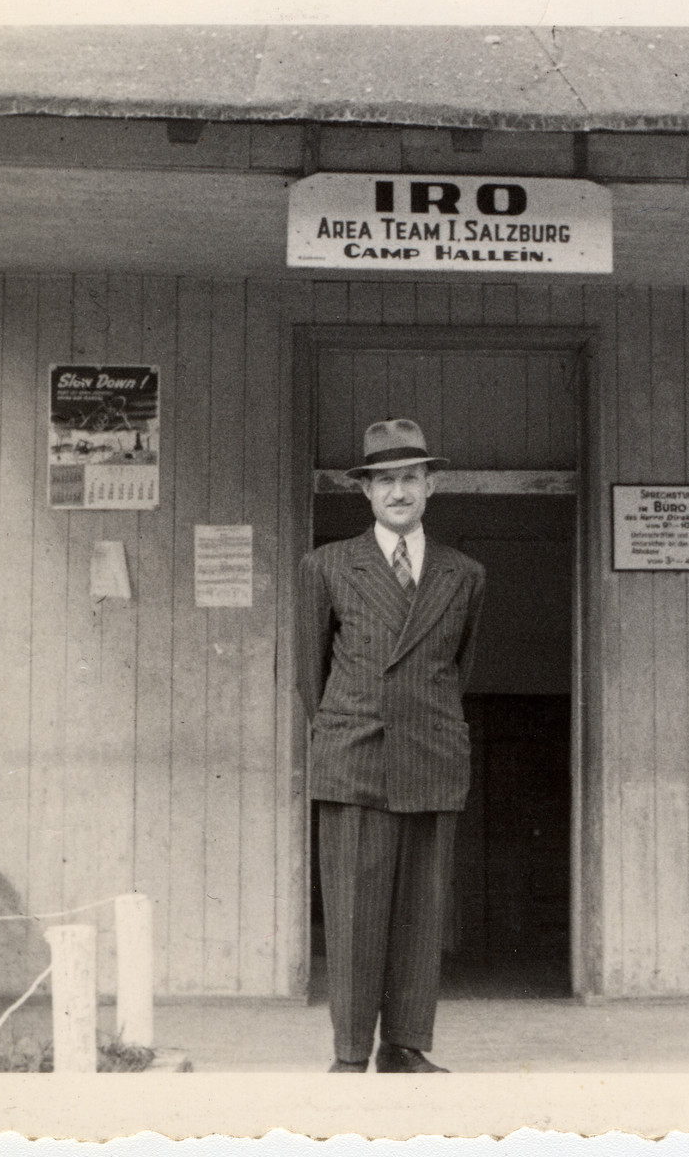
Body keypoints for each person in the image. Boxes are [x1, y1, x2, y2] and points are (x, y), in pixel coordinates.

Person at [296, 418, 486, 1073]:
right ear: (366, 493)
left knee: (419, 913)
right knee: (353, 912)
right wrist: (352, 723)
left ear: (430, 486)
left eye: (410, 478)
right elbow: (307, 673)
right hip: (355, 757)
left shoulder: (464, 574)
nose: (398, 491)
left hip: (429, 756)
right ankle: (350, 1054)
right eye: (385, 481)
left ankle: (404, 1046)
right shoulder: (325, 567)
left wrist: (421, 718)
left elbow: (460, 668)